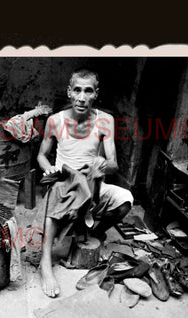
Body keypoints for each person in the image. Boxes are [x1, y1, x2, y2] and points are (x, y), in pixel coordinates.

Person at [36, 69, 134, 297]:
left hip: (92, 185)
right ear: (69, 92)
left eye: (88, 91)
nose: (82, 97)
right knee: (57, 192)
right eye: (77, 90)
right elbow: (41, 155)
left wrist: (100, 164)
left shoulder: (105, 120)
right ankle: (45, 262)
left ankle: (94, 233)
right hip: (64, 184)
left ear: (95, 94)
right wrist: (48, 167)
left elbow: (114, 164)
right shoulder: (55, 121)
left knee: (125, 201)